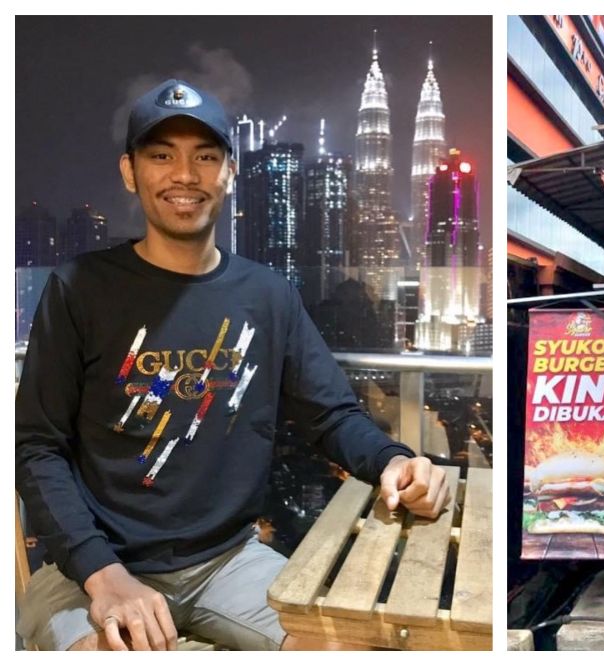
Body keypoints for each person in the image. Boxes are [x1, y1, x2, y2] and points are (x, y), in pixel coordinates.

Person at [15, 79, 451, 651]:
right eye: (161, 155)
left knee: (357, 650)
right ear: (129, 171)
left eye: (205, 156)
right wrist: (103, 574)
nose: (185, 175)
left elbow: (331, 414)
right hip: (91, 569)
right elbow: (36, 446)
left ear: (230, 171)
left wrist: (395, 461)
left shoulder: (267, 295)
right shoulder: (80, 288)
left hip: (229, 562)